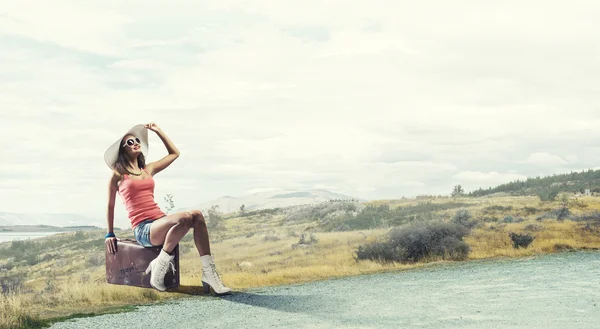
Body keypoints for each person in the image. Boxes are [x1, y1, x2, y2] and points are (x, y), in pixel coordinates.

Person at [103, 122, 231, 295]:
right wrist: (110, 233)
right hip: (144, 229)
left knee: (197, 216)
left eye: (136, 140)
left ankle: (209, 274)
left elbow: (174, 153)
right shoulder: (118, 175)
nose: (134, 143)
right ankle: (159, 265)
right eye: (129, 142)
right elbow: (110, 204)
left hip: (161, 221)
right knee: (185, 218)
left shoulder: (148, 170)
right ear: (123, 150)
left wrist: (158, 131)